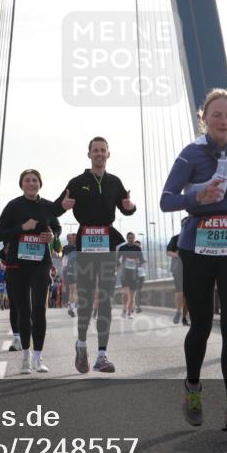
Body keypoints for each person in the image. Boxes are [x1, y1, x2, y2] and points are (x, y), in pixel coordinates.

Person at [160, 88, 227, 432]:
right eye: (216, 115)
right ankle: (193, 386)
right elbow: (166, 200)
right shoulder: (191, 154)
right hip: (198, 247)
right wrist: (196, 194)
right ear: (203, 118)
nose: (223, 121)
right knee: (202, 325)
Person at [54, 136, 136, 374]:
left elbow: (125, 207)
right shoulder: (78, 182)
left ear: (108, 154)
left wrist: (131, 208)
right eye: (95, 151)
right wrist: (63, 205)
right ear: (89, 154)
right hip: (86, 244)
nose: (99, 154)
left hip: (107, 243)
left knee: (106, 299)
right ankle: (81, 343)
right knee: (87, 298)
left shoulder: (114, 181)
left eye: (103, 150)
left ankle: (102, 355)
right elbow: (57, 207)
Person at [0, 169, 62, 374]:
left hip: (41, 264)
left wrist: (52, 235)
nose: (31, 183)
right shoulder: (14, 206)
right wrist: (22, 227)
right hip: (18, 264)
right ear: (21, 184)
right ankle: (25, 356)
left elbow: (56, 229)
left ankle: (38, 357)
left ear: (40, 183)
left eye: (34, 180)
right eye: (27, 180)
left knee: (39, 310)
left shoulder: (48, 206)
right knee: (24, 311)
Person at [117, 232, 144, 319]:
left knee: (132, 295)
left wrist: (138, 262)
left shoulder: (137, 248)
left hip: (134, 274)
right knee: (125, 294)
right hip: (125, 273)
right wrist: (120, 264)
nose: (131, 239)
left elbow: (142, 260)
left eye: (132, 237)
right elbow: (117, 259)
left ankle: (129, 312)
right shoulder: (122, 248)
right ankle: (124, 309)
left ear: (134, 238)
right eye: (129, 238)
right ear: (127, 238)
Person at [166, 228, 189, 325]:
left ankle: (183, 316)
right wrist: (177, 255)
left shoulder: (197, 237)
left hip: (192, 269)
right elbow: (168, 252)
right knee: (180, 291)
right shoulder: (176, 238)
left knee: (189, 294)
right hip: (178, 268)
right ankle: (178, 311)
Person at [61, 233, 78, 317]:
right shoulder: (81, 247)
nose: (73, 239)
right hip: (75, 271)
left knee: (72, 290)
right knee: (75, 290)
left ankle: (71, 307)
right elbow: (64, 261)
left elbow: (63, 261)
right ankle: (72, 307)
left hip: (70, 271)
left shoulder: (66, 248)